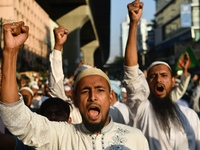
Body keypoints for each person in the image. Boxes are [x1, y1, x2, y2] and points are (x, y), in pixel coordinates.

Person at [0, 17, 149, 150]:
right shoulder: (60, 134)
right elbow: (16, 117)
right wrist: (10, 52)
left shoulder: (135, 138)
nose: (92, 97)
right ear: (75, 100)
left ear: (111, 97)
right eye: (85, 91)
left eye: (99, 90)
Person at [123, 0, 200, 150]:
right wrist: (134, 24)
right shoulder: (141, 110)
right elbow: (131, 71)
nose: (159, 79)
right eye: (153, 76)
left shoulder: (190, 116)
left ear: (172, 82)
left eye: (164, 75)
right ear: (146, 82)